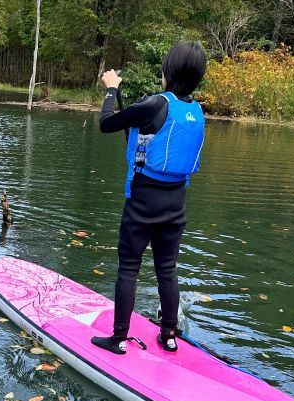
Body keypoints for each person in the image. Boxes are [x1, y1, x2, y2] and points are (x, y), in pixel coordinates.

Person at [91, 42, 207, 354]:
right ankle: (168, 336)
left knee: (128, 267)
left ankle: (118, 339)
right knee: (167, 268)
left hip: (143, 202)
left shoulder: (156, 104)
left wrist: (112, 89)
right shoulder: (197, 111)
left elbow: (105, 123)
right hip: (176, 204)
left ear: (168, 71)